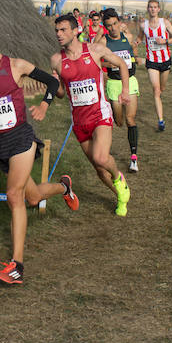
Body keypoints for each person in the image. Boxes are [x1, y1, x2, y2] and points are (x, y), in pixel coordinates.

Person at [0, 13, 78, 286]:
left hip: (21, 138)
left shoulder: (17, 65)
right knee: (33, 197)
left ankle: (17, 266)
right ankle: (64, 188)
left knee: (14, 195)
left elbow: (52, 83)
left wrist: (46, 105)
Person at [50, 13, 133, 217]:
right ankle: (120, 196)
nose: (59, 34)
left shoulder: (94, 50)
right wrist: (52, 83)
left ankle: (118, 177)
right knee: (98, 169)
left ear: (76, 30)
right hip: (79, 121)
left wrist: (124, 90)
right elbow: (61, 94)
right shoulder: (56, 60)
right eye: (57, 31)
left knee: (101, 157)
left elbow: (122, 64)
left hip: (100, 114)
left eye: (63, 30)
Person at [96, 8, 140, 172]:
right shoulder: (103, 43)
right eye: (109, 26)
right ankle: (116, 119)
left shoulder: (127, 37)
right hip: (114, 84)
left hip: (130, 80)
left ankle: (133, 158)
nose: (113, 28)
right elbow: (96, 62)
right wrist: (109, 64)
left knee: (130, 120)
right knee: (119, 121)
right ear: (106, 27)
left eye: (115, 24)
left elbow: (133, 55)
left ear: (120, 23)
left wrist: (135, 50)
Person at [136, 0, 172, 132]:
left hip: (165, 61)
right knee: (156, 90)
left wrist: (165, 41)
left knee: (162, 89)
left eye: (155, 7)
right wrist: (135, 42)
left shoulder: (164, 22)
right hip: (152, 61)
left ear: (159, 9)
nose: (153, 9)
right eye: (150, 7)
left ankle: (159, 103)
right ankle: (161, 121)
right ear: (147, 9)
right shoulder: (144, 25)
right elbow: (140, 38)